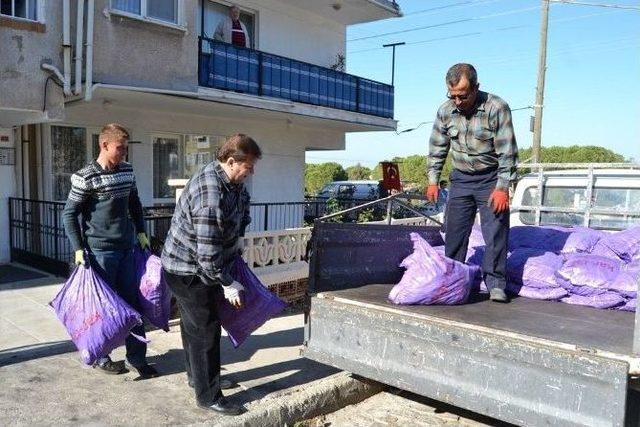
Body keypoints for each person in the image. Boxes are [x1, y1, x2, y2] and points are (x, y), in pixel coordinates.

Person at [161, 134, 261, 416]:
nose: (250, 172)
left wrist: (238, 239)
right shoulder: (210, 194)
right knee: (206, 330)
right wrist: (228, 282)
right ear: (231, 161)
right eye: (248, 167)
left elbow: (243, 210)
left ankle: (198, 378)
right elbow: (207, 258)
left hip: (201, 264)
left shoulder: (232, 182)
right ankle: (208, 396)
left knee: (194, 326)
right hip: (187, 270)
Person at [62, 123, 157, 377]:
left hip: (127, 250)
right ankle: (103, 357)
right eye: (120, 148)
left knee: (132, 306)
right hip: (100, 254)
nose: (124, 153)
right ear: (104, 145)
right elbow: (69, 215)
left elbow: (135, 204)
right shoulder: (85, 176)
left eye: (126, 148)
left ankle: (138, 359)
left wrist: (141, 231)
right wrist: (78, 248)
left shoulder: (127, 171)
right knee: (103, 309)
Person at [426, 63, 518, 303]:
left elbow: (507, 151)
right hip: (461, 179)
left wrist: (502, 187)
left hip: (490, 178)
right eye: (452, 95)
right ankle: (453, 280)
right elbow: (437, 147)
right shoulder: (445, 111)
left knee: (495, 231)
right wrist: (433, 180)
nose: (457, 101)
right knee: (454, 232)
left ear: (476, 88)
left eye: (463, 96)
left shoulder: (497, 108)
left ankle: (496, 283)